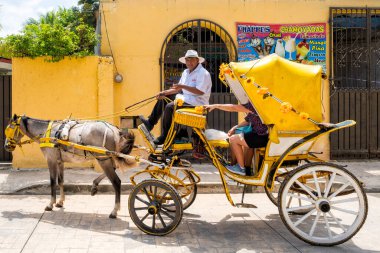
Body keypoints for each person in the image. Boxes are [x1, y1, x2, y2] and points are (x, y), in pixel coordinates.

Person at [139, 50, 212, 145]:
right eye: (188, 60)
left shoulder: (203, 73)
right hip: (186, 99)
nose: (190, 63)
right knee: (166, 97)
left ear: (197, 60)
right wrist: (164, 92)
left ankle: (165, 136)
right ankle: (150, 123)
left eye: (192, 60)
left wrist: (182, 87)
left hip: (197, 104)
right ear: (185, 61)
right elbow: (177, 88)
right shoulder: (186, 72)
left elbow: (200, 91)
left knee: (170, 107)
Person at [204, 102, 268, 175]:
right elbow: (248, 120)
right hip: (259, 135)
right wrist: (235, 127)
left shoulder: (255, 104)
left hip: (261, 137)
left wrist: (216, 105)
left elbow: (233, 107)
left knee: (233, 139)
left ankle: (241, 168)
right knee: (237, 136)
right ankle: (244, 168)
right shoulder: (257, 103)